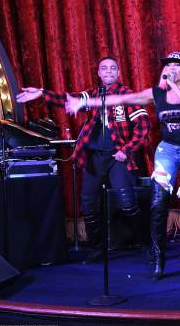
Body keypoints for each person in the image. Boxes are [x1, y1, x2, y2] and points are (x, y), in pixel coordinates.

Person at [65, 51, 180, 281]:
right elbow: (122, 99)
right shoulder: (156, 93)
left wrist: (174, 86)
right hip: (167, 149)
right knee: (157, 204)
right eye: (168, 66)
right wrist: (86, 101)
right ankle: (158, 258)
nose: (171, 69)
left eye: (177, 66)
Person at [16, 57, 151, 263]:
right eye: (104, 68)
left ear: (118, 72)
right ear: (98, 73)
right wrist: (42, 93)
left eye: (113, 68)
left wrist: (127, 149)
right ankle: (98, 248)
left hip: (117, 157)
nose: (108, 72)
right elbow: (68, 98)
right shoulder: (93, 94)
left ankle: (147, 245)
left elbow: (143, 126)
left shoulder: (127, 95)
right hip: (94, 157)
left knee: (127, 203)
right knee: (88, 205)